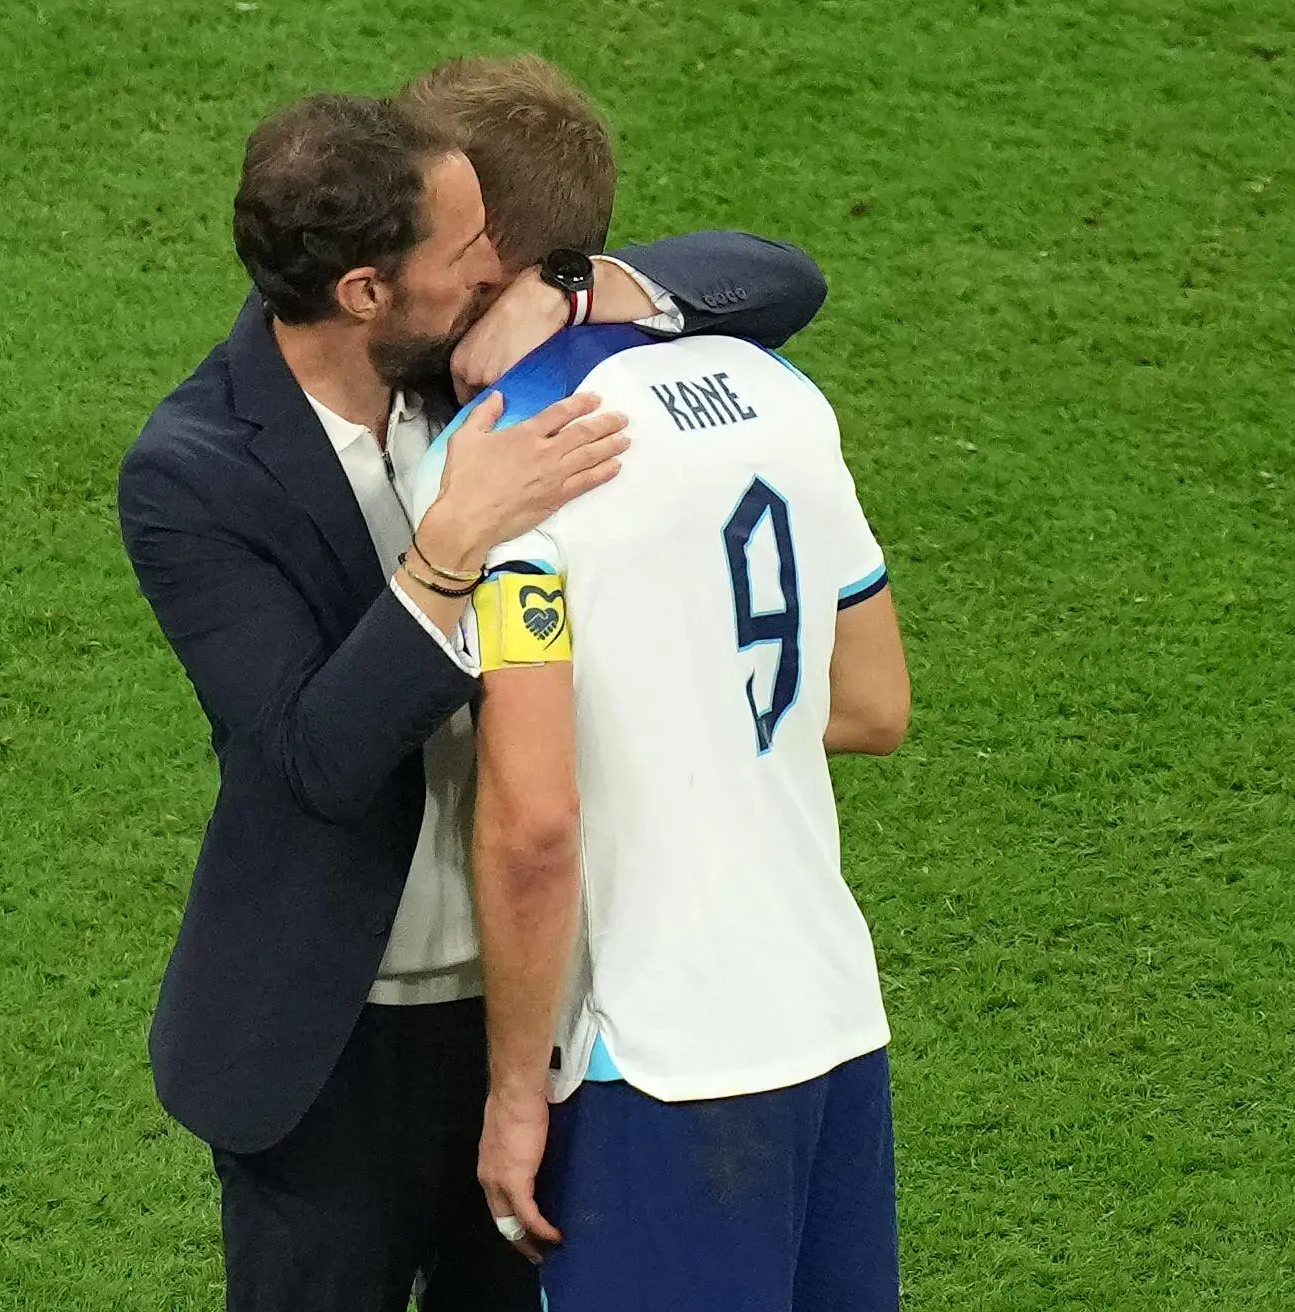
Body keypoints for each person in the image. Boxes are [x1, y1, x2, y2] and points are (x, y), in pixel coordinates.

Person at [119, 82, 833, 1312]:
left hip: (533, 1012)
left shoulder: (478, 355)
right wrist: (452, 545)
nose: (497, 271)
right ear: (366, 291)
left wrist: (580, 289)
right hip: (325, 1051)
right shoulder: (195, 474)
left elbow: (779, 282)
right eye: (470, 256)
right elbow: (314, 761)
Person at [408, 70, 913, 1310]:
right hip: (832, 1024)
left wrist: (513, 1092)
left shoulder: (502, 459)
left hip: (658, 1063)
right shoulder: (779, 393)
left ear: (481, 252)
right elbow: (873, 703)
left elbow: (535, 824)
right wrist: (687, 709)